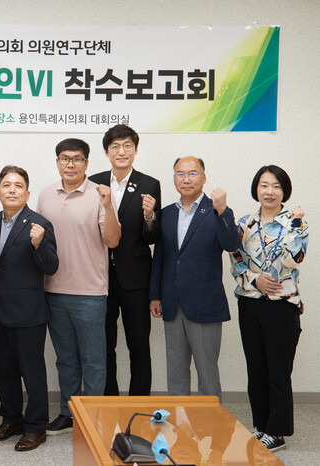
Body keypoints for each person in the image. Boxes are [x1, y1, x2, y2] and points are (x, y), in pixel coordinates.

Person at [37, 138, 121, 436]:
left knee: (94, 360)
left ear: (86, 163)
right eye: (64, 158)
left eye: (76, 159)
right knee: (66, 359)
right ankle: (68, 413)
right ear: (57, 162)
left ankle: (93, 417)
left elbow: (112, 241)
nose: (70, 164)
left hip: (90, 294)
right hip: (54, 291)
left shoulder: (100, 195)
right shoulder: (45, 195)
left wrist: (109, 205)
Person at [230, 165, 307, 452]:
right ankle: (261, 425)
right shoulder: (244, 223)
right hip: (250, 304)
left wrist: (295, 224)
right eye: (264, 185)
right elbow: (236, 260)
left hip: (282, 306)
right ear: (256, 189)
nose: (269, 191)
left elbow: (293, 259)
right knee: (256, 369)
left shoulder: (295, 223)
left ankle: (277, 432)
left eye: (276, 186)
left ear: (284, 191)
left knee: (278, 371)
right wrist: (254, 279)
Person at [149, 156, 240, 399]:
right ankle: (179, 420)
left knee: (207, 373)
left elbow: (232, 244)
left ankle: (210, 422)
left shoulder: (216, 210)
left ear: (204, 177)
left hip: (205, 303)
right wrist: (155, 295)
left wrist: (223, 211)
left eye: (192, 173)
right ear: (174, 179)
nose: (186, 179)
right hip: (172, 302)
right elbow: (160, 257)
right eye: (180, 174)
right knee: (176, 372)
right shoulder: (167, 213)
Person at [0, 165, 59, 452]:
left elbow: (52, 266)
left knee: (32, 372)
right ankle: (12, 419)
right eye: (7, 185)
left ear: (27, 194)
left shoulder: (39, 223)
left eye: (18, 186)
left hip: (29, 312)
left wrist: (39, 245)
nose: (12, 190)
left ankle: (36, 426)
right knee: (4, 371)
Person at [88, 125, 161, 397]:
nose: (122, 151)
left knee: (139, 345)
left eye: (127, 146)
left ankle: (139, 402)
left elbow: (152, 237)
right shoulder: (93, 182)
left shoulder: (149, 184)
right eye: (115, 146)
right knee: (104, 346)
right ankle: (109, 401)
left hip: (136, 278)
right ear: (106, 151)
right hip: (100, 278)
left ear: (136, 150)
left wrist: (150, 217)